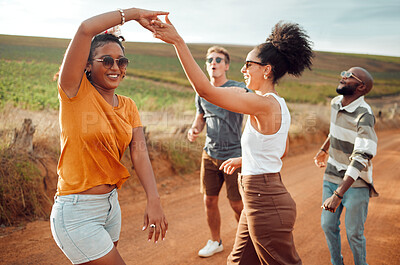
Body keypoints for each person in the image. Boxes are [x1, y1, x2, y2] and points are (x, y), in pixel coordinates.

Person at [151, 17, 313, 265]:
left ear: (266, 69)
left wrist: (178, 42)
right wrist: (243, 159)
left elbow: (205, 91)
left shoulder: (262, 103)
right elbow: (280, 151)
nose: (243, 70)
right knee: (237, 262)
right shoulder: (275, 104)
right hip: (257, 201)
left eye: (249, 64)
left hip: (266, 203)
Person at [50, 8, 169, 265]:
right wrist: (135, 13)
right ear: (87, 65)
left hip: (111, 207)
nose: (115, 67)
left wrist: (154, 200)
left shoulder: (128, 105)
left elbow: (139, 153)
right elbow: (85, 29)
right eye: (106, 60)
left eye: (121, 61)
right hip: (76, 211)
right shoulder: (73, 92)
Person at [314, 67, 378, 265]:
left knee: (354, 234)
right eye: (344, 73)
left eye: (350, 76)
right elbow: (334, 131)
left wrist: (338, 194)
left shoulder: (364, 115)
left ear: (361, 87)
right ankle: (337, 263)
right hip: (331, 174)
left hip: (356, 181)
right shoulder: (335, 103)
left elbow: (362, 155)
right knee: (327, 225)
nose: (343, 76)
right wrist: (324, 149)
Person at [188, 46, 247, 258]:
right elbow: (200, 117)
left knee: (237, 203)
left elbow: (249, 96)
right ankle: (215, 241)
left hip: (234, 155)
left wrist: (218, 92)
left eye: (218, 60)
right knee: (209, 200)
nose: (213, 62)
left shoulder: (237, 87)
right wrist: (194, 129)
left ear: (227, 65)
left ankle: (246, 244)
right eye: (210, 59)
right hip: (209, 154)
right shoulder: (201, 93)